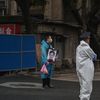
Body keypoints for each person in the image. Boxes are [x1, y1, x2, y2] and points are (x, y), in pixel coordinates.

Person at [76, 32, 97, 100]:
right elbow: (94, 56)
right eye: (89, 38)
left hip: (80, 68)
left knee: (83, 85)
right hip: (86, 69)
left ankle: (82, 97)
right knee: (87, 86)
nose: (89, 39)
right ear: (86, 39)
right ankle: (84, 99)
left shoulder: (79, 47)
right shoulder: (86, 47)